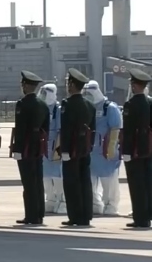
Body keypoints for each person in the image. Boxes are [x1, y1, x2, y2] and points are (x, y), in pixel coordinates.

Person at [11, 71, 49, 225]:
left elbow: (20, 129)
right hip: (38, 147)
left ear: (26, 86)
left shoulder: (23, 104)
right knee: (38, 181)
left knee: (28, 183)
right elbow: (46, 129)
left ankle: (31, 215)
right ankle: (39, 213)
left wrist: (17, 149)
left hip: (26, 148)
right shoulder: (43, 105)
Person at [58, 68, 95, 227]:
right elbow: (93, 129)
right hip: (85, 148)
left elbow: (66, 129)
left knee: (72, 183)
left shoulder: (68, 104)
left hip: (71, 149)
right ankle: (86, 215)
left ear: (72, 85)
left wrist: (65, 150)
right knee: (85, 182)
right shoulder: (90, 105)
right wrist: (89, 146)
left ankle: (75, 216)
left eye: (68, 83)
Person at [83, 80, 123, 216]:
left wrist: (111, 148)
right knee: (91, 180)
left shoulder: (109, 108)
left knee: (109, 181)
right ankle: (95, 204)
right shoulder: (87, 108)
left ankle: (111, 205)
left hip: (106, 151)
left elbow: (116, 129)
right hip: (91, 151)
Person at [122, 68, 152, 228]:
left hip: (134, 151)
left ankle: (140, 219)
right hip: (148, 149)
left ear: (134, 85)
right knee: (148, 183)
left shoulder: (130, 104)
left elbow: (128, 131)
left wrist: (126, 151)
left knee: (137, 185)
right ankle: (148, 215)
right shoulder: (150, 103)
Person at [39, 83, 67, 215]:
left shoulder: (58, 110)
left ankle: (62, 201)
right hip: (43, 147)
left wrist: (58, 150)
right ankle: (50, 200)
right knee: (45, 177)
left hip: (55, 148)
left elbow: (61, 131)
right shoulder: (42, 108)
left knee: (57, 177)